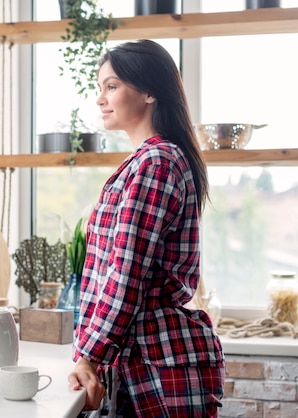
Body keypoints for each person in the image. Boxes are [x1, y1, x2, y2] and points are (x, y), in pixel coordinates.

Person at [68, 39, 225, 417]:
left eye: (112, 86)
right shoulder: (151, 160)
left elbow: (124, 275)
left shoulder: (155, 162)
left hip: (158, 360)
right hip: (147, 357)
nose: (100, 99)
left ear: (149, 92)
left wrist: (89, 355)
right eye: (100, 87)